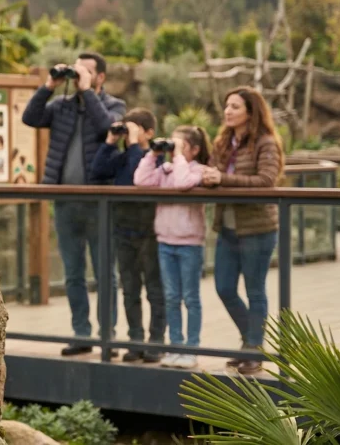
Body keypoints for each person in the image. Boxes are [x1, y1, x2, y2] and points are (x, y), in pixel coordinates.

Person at [21, 52, 126, 355]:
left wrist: (86, 91)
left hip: (100, 202)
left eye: (86, 71)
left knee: (106, 273)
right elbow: (30, 117)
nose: (78, 74)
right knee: (73, 273)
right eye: (76, 70)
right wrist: (49, 85)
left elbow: (108, 129)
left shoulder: (114, 106)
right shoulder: (62, 106)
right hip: (65, 202)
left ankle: (109, 338)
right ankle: (81, 334)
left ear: (100, 77)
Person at [201, 87, 285, 375]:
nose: (227, 111)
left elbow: (266, 181)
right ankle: (253, 341)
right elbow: (213, 170)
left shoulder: (266, 142)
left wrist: (222, 178)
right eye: (226, 105)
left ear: (251, 111)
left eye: (235, 106)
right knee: (224, 287)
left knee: (255, 290)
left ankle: (253, 348)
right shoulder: (225, 141)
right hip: (227, 227)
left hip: (258, 228)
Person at [89, 108, 165, 363]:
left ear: (149, 133)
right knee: (129, 289)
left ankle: (155, 342)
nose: (127, 135)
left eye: (134, 129)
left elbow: (136, 177)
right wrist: (110, 142)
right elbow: (97, 171)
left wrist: (133, 144)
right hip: (123, 229)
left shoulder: (157, 158)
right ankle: (135, 340)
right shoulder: (124, 155)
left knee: (154, 289)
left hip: (149, 232)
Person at [134, 125, 211, 369]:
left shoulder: (199, 171)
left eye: (180, 146)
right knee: (171, 298)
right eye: (172, 145)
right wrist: (153, 154)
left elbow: (183, 183)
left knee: (190, 298)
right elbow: (141, 180)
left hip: (189, 244)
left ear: (195, 150)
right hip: (165, 242)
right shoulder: (165, 170)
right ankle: (175, 346)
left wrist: (177, 157)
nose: (172, 151)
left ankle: (191, 349)